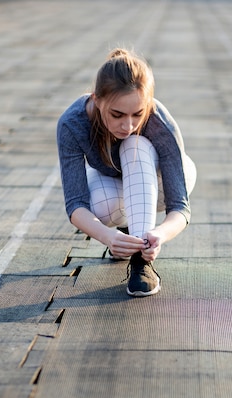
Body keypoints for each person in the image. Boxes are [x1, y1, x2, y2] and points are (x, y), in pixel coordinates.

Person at [56, 47, 196, 296]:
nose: (128, 125)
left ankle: (143, 262)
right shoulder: (72, 122)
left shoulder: (159, 123)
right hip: (116, 182)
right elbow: (75, 204)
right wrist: (108, 237)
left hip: (162, 182)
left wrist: (159, 235)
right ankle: (126, 237)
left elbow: (180, 207)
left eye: (137, 114)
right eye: (117, 114)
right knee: (98, 205)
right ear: (97, 99)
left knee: (135, 144)